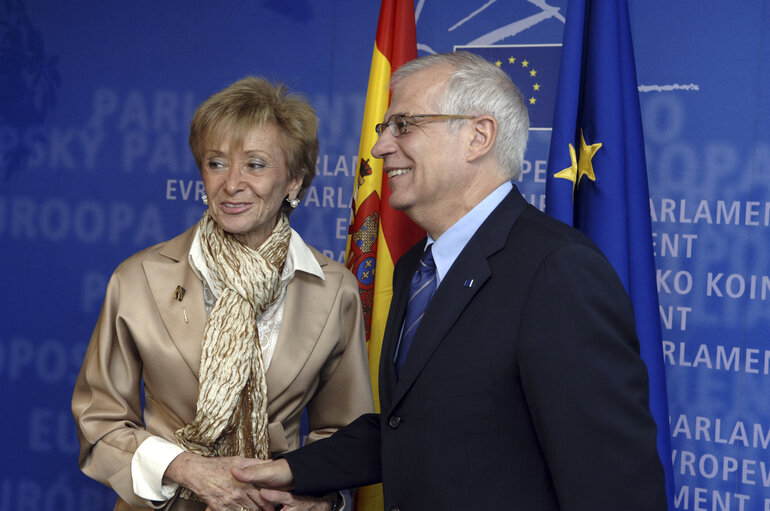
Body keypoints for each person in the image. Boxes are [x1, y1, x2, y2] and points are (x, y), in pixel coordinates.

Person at [233, 52, 668, 510]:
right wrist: (288, 471)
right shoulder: (416, 267)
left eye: (403, 125)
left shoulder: (558, 271)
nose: (380, 147)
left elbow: (614, 488)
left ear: (478, 137)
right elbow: (415, 425)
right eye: (384, 129)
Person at [72, 77, 373, 511]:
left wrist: (321, 500)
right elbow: (98, 421)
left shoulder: (334, 288)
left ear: (294, 182)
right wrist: (185, 467)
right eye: (216, 163)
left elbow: (346, 433)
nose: (231, 183)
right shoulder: (138, 277)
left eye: (255, 165)